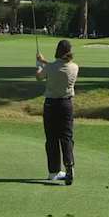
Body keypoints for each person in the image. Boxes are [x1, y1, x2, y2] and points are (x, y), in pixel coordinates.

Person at [35, 39, 79, 185]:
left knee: (52, 138)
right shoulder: (75, 67)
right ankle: (69, 165)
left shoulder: (50, 68)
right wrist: (44, 61)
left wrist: (39, 64)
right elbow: (58, 67)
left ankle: (54, 172)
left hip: (50, 105)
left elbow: (39, 76)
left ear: (57, 51)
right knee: (66, 137)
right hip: (66, 105)